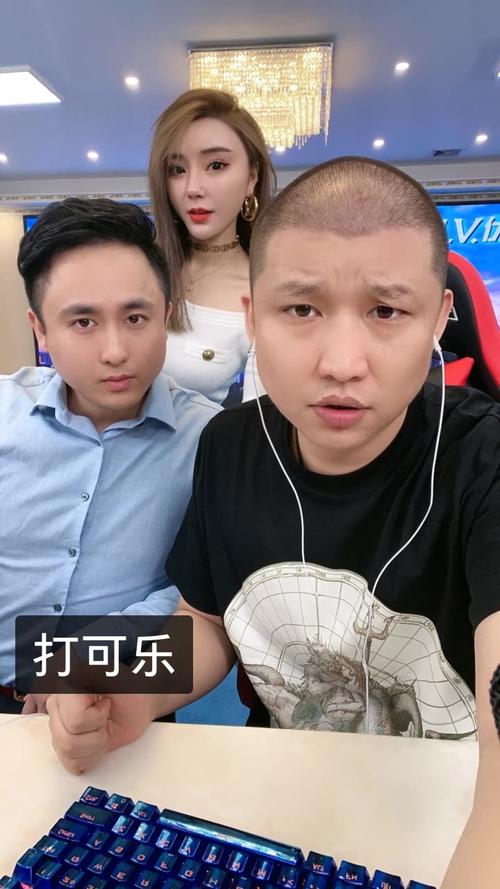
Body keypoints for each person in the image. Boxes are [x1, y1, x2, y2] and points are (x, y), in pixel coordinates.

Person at [47, 159, 500, 888]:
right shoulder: (230, 445)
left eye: (387, 311)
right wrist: (127, 687)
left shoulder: (484, 457)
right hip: (281, 803)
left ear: (440, 318)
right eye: (301, 310)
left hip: (452, 809)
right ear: (253, 317)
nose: (342, 363)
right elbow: (208, 621)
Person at [0, 196, 219, 714]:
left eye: (136, 317)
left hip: (122, 695)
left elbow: (206, 595)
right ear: (40, 329)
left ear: (166, 316)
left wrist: (92, 660)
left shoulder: (210, 438)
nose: (116, 351)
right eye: (83, 322)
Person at [149, 88, 275, 403]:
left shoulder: (262, 289)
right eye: (177, 170)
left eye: (216, 165)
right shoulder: (141, 266)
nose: (193, 188)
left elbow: (259, 418)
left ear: (251, 177)